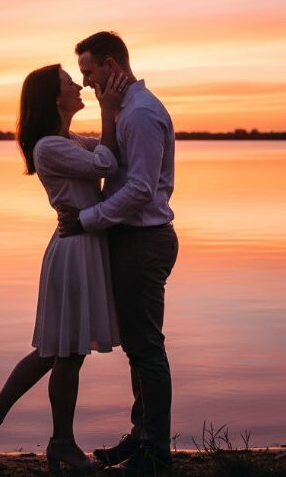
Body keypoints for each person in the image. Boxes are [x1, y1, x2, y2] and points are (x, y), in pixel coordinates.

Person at [0, 63, 129, 475]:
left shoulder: (67, 140)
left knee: (53, 350)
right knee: (66, 353)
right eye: (71, 82)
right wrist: (108, 108)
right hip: (73, 253)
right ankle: (62, 445)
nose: (78, 85)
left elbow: (111, 151)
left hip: (81, 246)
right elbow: (106, 164)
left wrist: (121, 109)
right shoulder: (49, 146)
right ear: (55, 98)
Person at [58, 31, 179, 476]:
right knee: (138, 347)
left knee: (147, 348)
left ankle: (156, 454)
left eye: (89, 71)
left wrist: (87, 220)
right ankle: (142, 435)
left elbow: (141, 189)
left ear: (111, 66)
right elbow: (104, 158)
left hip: (144, 241)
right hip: (130, 240)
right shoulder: (124, 111)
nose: (86, 81)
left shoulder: (142, 115)